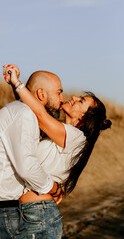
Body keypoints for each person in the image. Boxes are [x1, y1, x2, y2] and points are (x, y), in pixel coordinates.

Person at [3, 65, 112, 236]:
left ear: (84, 118)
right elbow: (34, 106)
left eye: (81, 101)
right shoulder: (59, 132)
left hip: (41, 213)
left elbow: (39, 113)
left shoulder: (76, 138)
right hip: (27, 211)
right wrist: (14, 86)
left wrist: (18, 84)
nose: (73, 97)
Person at [0, 65, 64, 239]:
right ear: (42, 94)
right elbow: (27, 167)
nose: (62, 99)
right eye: (59, 92)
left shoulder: (20, 111)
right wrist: (55, 189)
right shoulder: (24, 114)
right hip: (5, 210)